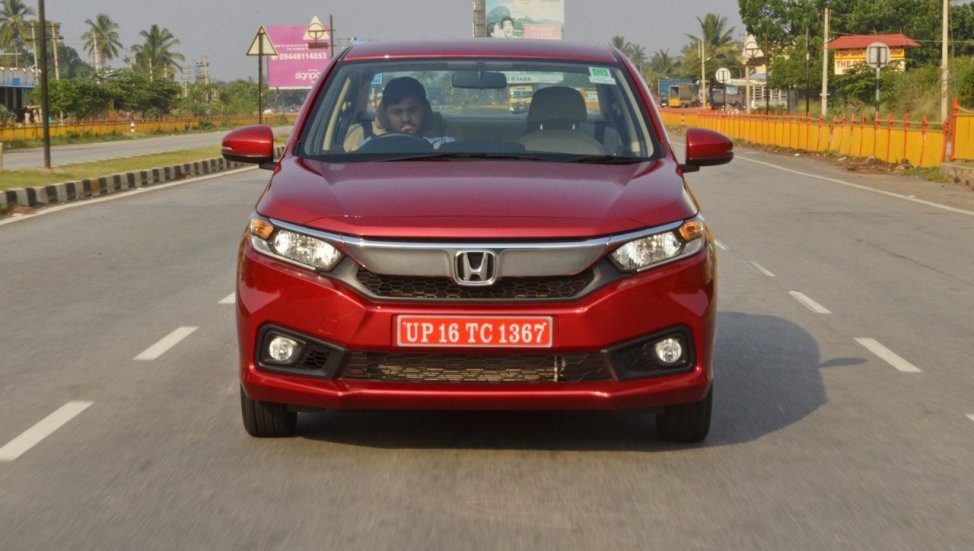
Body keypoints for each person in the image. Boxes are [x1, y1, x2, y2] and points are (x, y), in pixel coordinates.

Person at [344, 76, 455, 151]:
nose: (406, 119)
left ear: (424, 109)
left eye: (413, 110)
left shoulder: (446, 146)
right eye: (397, 112)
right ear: (386, 113)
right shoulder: (367, 148)